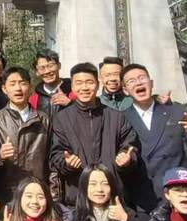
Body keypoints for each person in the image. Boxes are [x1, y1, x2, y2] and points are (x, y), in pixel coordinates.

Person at [119, 63, 187, 215]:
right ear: (125, 90)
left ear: (151, 83)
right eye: (131, 81)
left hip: (179, 191)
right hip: (144, 197)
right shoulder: (121, 118)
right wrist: (122, 162)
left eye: (142, 78)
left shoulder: (175, 111)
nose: (138, 83)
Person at [50, 62, 138, 207]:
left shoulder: (116, 117)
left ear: (97, 84)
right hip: (78, 196)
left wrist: (127, 160)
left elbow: (130, 146)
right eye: (79, 83)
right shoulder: (62, 118)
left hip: (111, 195)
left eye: (89, 82)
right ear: (72, 87)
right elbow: (56, 153)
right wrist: (67, 163)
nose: (84, 87)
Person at [0, 67, 51, 202]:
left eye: (22, 83)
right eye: (12, 84)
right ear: (4, 89)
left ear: (30, 88)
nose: (18, 88)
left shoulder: (44, 119)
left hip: (37, 192)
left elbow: (52, 159)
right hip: (7, 193)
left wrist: (53, 195)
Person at [31, 50, 71, 116]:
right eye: (42, 68)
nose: (47, 71)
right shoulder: (34, 99)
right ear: (37, 72)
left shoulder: (73, 92)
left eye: (50, 66)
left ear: (59, 65)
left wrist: (70, 104)